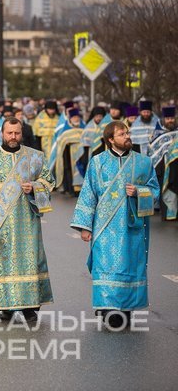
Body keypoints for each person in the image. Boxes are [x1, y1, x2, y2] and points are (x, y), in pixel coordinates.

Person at [0, 117, 55, 322]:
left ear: (21, 134)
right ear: (2, 134)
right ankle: (5, 305)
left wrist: (35, 187)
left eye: (17, 133)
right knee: (1, 262)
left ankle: (30, 306)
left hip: (27, 219)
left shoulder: (34, 157)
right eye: (9, 133)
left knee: (29, 262)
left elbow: (49, 182)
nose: (13, 137)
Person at [70, 121, 159, 330]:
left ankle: (125, 309)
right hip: (105, 227)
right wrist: (85, 226)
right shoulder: (97, 162)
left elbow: (154, 191)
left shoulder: (143, 163)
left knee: (129, 266)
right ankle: (107, 308)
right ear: (111, 140)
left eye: (128, 132)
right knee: (105, 267)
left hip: (132, 228)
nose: (128, 136)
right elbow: (88, 194)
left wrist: (139, 192)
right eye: (122, 133)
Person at [148, 106, 177, 220]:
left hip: (176, 167)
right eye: (168, 118)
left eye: (172, 118)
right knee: (165, 189)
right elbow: (153, 152)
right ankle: (167, 214)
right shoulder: (157, 134)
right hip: (163, 167)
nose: (170, 120)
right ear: (163, 119)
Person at [49, 108, 86, 196]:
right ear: (70, 119)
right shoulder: (65, 129)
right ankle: (70, 189)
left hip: (82, 155)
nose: (76, 119)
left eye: (77, 117)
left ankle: (80, 189)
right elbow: (61, 142)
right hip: (68, 154)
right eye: (74, 118)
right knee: (68, 171)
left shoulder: (84, 129)